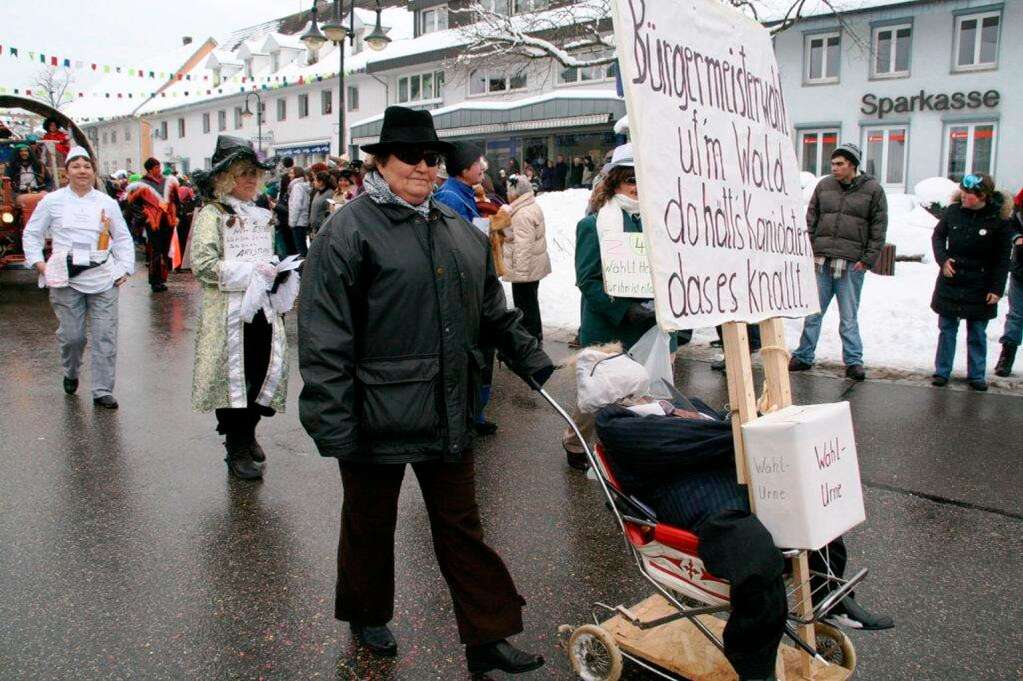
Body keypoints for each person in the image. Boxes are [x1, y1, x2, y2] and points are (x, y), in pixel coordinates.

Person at [298, 106, 553, 677]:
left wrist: (534, 361)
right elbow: (323, 337)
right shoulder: (348, 231)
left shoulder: (458, 231)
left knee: (462, 525)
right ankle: (366, 613)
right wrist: (333, 421)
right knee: (369, 521)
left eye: (432, 157)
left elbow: (493, 313)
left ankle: (487, 638)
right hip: (373, 414)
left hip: (447, 407)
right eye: (409, 156)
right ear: (381, 162)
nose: (422, 167)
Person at [595, 399, 892, 681]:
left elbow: (722, 428)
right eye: (630, 387)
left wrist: (747, 427)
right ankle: (754, 662)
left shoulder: (683, 405)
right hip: (700, 502)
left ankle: (830, 599)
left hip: (743, 487)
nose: (642, 390)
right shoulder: (617, 423)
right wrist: (738, 431)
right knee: (754, 554)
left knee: (811, 509)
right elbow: (687, 440)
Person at [563, 143, 677, 469]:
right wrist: (622, 310)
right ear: (615, 183)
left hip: (646, 325)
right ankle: (574, 443)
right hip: (607, 326)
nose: (638, 189)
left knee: (638, 394)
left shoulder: (655, 225)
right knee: (597, 396)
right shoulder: (593, 226)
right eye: (631, 181)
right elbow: (587, 280)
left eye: (643, 181)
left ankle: (622, 453)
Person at [189, 135, 295, 480]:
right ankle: (236, 444)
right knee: (235, 379)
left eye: (254, 173)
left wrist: (278, 272)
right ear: (225, 178)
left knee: (262, 370)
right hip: (230, 315)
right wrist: (253, 273)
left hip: (261, 309)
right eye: (243, 173)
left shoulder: (261, 214)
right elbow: (203, 265)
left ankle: (248, 432)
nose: (251, 180)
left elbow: (265, 257)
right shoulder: (211, 214)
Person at [21, 147, 134, 409]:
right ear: (66, 172)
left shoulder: (107, 203)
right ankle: (71, 372)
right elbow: (32, 234)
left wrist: (124, 269)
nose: (82, 170)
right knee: (73, 337)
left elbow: (123, 238)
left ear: (93, 171)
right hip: (65, 277)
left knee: (105, 335)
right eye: (76, 166)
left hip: (102, 277)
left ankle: (102, 390)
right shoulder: (52, 201)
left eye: (87, 166)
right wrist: (40, 265)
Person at [789, 143, 887, 381]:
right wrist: (808, 248)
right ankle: (803, 355)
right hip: (822, 260)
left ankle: (853, 361)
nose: (834, 168)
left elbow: (879, 226)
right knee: (814, 313)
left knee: (848, 316)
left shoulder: (873, 189)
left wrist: (867, 260)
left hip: (851, 263)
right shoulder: (824, 186)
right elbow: (811, 218)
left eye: (840, 164)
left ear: (852, 165)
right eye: (833, 163)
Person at [435, 141, 500, 435]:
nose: (483, 167)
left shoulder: (466, 193)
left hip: (475, 281)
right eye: (478, 163)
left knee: (482, 352)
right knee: (473, 353)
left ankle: (475, 414)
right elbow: (457, 246)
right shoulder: (450, 196)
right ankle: (468, 416)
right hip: (465, 288)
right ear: (464, 167)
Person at [930, 173, 1011, 391]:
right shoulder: (953, 212)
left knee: (976, 331)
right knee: (947, 328)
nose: (965, 197)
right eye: (963, 192)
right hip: (952, 279)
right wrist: (942, 259)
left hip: (980, 283)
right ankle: (942, 371)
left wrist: (997, 289)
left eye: (970, 194)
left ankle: (976, 375)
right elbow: (938, 237)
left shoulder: (999, 220)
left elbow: (1003, 259)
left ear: (983, 196)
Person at [500, 173, 551, 343]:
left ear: (515, 193)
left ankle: (530, 344)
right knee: (531, 305)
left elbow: (523, 246)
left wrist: (520, 274)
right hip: (533, 267)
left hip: (525, 270)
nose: (507, 194)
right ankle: (535, 338)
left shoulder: (522, 213)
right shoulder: (529, 206)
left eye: (509, 190)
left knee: (525, 309)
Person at [128, 157, 180, 293]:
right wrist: (145, 215)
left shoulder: (167, 182)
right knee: (155, 251)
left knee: (165, 250)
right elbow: (132, 203)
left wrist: (175, 213)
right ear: (150, 169)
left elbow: (176, 199)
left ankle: (162, 279)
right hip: (153, 223)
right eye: (156, 167)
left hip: (167, 221)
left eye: (159, 166)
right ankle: (155, 281)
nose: (159, 169)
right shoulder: (141, 184)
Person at [995, 198, 1023, 377]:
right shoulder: (1020, 201)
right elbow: (1009, 224)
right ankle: (1006, 357)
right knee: (1016, 316)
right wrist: (1017, 237)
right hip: (1021, 270)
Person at [287, 165, 312, 257]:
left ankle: (303, 268)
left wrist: (292, 222)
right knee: (302, 246)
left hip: (298, 221)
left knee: (301, 248)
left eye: (291, 173)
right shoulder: (302, 185)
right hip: (302, 220)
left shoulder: (297, 187)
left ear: (296, 174)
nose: (289, 175)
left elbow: (296, 205)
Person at [308, 170, 335, 237]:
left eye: (315, 180)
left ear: (321, 182)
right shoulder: (317, 192)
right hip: (314, 228)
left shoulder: (330, 194)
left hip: (322, 229)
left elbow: (331, 211)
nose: (313, 182)